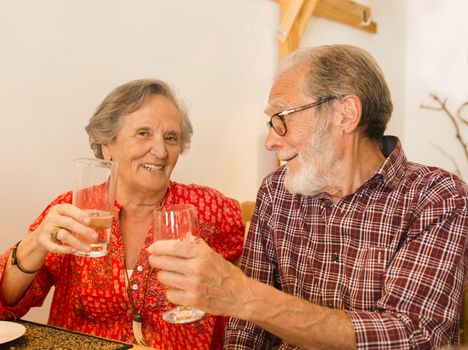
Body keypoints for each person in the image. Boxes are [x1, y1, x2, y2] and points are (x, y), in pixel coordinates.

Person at [147, 44, 468, 349]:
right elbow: (247, 329)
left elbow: (414, 336)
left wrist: (242, 294)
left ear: (345, 114)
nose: (270, 141)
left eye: (281, 119)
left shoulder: (435, 195)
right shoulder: (276, 191)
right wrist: (244, 302)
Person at [0, 79, 245, 349]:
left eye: (171, 138)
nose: (161, 151)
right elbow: (7, 304)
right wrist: (36, 242)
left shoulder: (212, 209)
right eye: (143, 133)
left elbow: (246, 303)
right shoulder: (73, 211)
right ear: (107, 144)